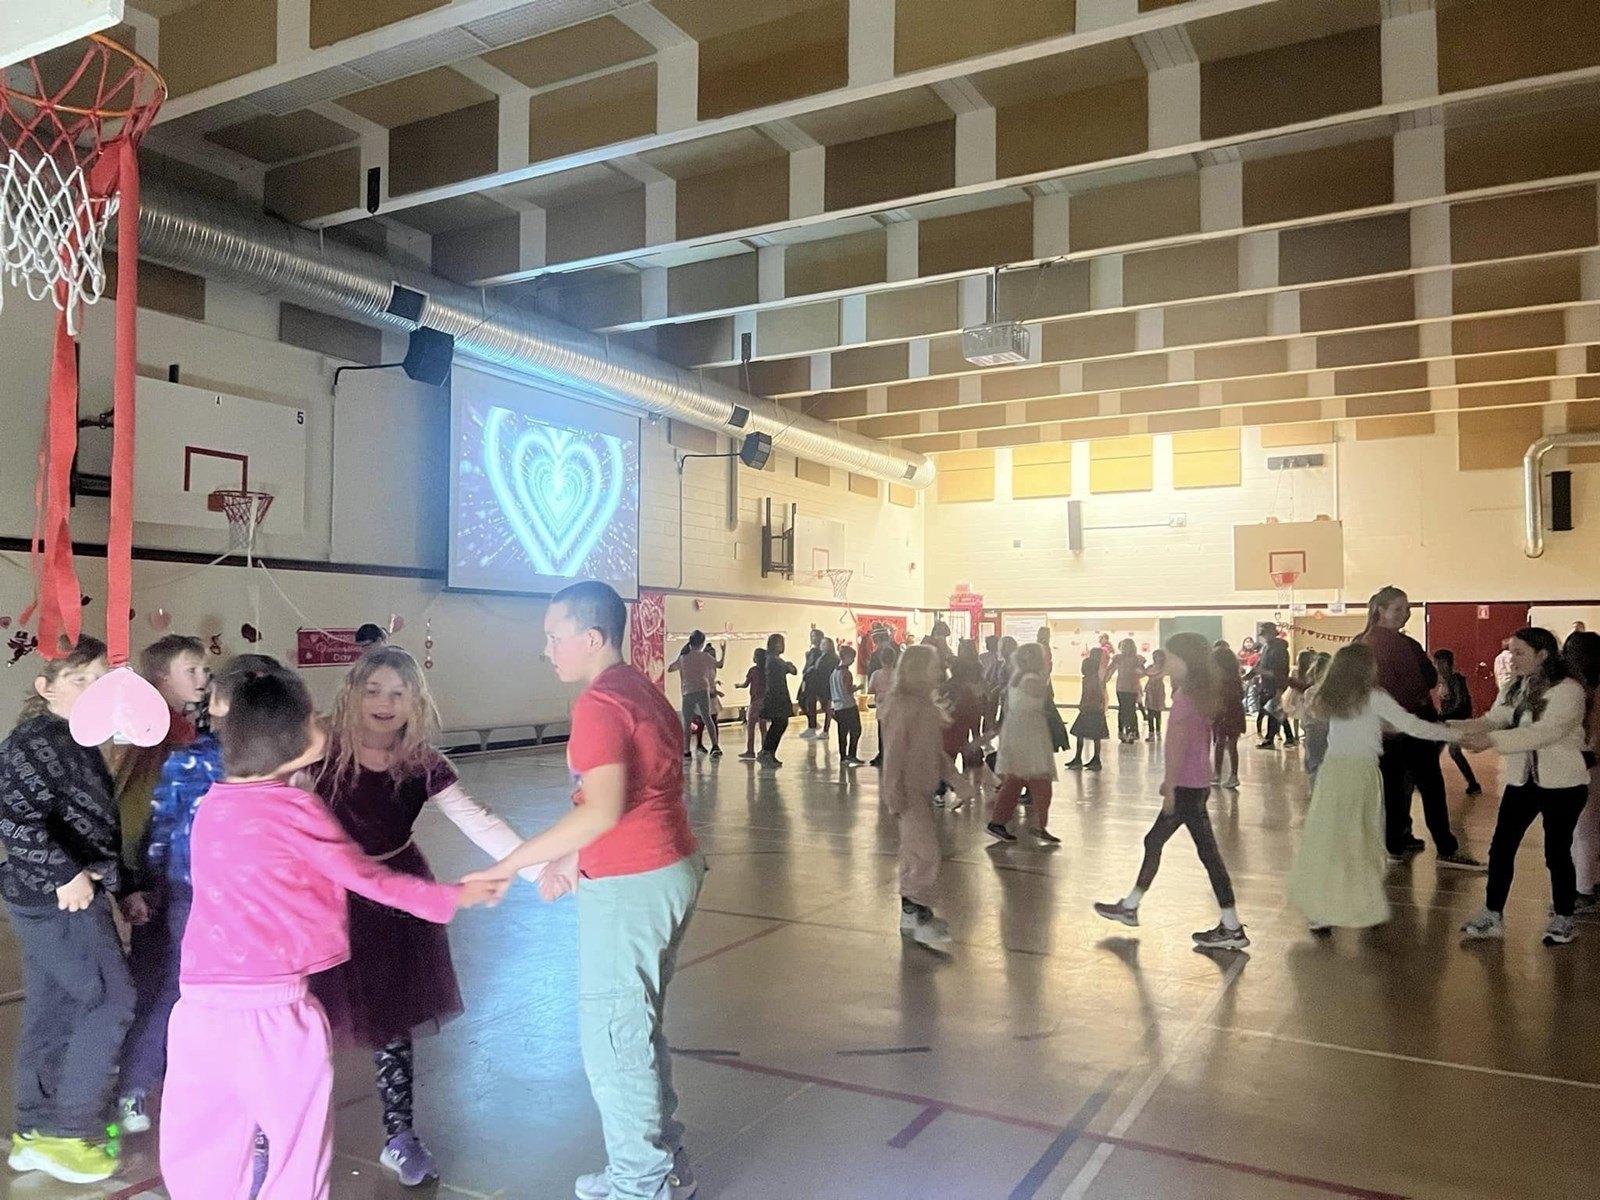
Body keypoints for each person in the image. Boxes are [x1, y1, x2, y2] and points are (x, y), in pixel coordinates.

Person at [158, 671, 497, 1200]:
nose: (323, 723)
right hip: (278, 1012)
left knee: (204, 1149)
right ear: (293, 739)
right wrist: (449, 898)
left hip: (199, 1014)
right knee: (297, 1154)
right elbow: (365, 876)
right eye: (313, 717)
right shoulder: (296, 810)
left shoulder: (213, 806)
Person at [462, 580, 706, 1200]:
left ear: (591, 638)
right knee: (636, 1025)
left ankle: (641, 1182)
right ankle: (659, 1162)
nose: (547, 650)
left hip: (634, 884)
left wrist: (506, 864)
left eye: (553, 637)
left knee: (613, 1037)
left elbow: (600, 811)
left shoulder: (600, 703)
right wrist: (571, 860)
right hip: (665, 867)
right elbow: (630, 794)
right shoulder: (639, 688)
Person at [310, 647, 539, 1187]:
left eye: (398, 693)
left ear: (415, 701)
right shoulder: (321, 751)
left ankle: (400, 1136)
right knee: (309, 1022)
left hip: (396, 899)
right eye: (373, 691)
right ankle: (272, 1131)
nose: (385, 703)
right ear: (352, 695)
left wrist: (536, 868)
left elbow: (479, 819)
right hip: (327, 897)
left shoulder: (422, 763)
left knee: (392, 1018)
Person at [118, 655, 286, 1151]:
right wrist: (147, 885)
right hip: (193, 893)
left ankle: (225, 1092)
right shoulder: (190, 759)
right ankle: (135, 1085)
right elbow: (162, 829)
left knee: (239, 996)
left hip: (250, 899)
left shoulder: (276, 767)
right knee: (179, 986)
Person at [0, 637, 132, 1185]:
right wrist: (65, 873)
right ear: (46, 688)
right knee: (111, 1000)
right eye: (79, 678)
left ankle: (35, 1127)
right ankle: (70, 1131)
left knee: (54, 1007)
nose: (92, 688)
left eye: (99, 678)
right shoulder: (35, 741)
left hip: (56, 890)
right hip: (56, 895)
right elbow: (11, 820)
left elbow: (94, 823)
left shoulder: (78, 738)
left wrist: (124, 886)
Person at [1286, 644, 1462, 936]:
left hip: (1334, 772)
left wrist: (1383, 727)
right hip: (1360, 774)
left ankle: (1319, 910)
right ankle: (1355, 904)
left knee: (1330, 837)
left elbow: (1362, 725)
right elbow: (1413, 726)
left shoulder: (1330, 695)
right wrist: (1456, 734)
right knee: (1361, 836)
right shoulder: (1374, 696)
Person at [1094, 633, 1249, 950]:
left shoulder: (1184, 698)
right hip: (1196, 784)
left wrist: (1170, 787)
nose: (1166, 663)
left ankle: (1230, 926)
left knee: (1206, 854)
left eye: (1171, 658)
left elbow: (1177, 747)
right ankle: (1132, 905)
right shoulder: (1199, 693)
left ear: (1185, 661)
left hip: (1186, 788)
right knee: (1172, 845)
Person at [1454, 628, 1590, 945]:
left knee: (1557, 852)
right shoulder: (1517, 687)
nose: (1511, 659)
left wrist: (1489, 740)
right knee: (1501, 847)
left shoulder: (1568, 691)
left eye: (1519, 653)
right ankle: (1492, 914)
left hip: (1563, 785)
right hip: (1523, 781)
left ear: (1542, 655)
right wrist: (1450, 727)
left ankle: (1564, 918)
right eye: (1511, 651)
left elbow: (1544, 733)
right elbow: (1495, 718)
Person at [1357, 586, 1482, 868]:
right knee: (1429, 786)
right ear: (1381, 610)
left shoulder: (1369, 642)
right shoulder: (1393, 643)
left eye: (1407, 608)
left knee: (1395, 786)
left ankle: (1397, 841)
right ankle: (1445, 848)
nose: (1405, 614)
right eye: (1398, 609)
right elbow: (1422, 681)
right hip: (1408, 724)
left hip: (1387, 728)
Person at [878, 645, 957, 950]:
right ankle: (914, 911)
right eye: (934, 665)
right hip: (907, 792)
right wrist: (893, 791)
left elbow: (934, 753)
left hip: (920, 791)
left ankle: (913, 912)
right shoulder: (904, 707)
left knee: (917, 851)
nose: (939, 669)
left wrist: (958, 781)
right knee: (925, 852)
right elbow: (895, 752)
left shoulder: (924, 706)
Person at [987, 642, 1059, 845]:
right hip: (1028, 734)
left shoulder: (1018, 678)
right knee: (1034, 779)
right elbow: (1038, 693)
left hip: (1023, 731)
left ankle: (1010, 822)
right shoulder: (1030, 679)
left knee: (1019, 780)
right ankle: (1033, 824)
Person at [1564, 631, 1600, 908]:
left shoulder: (1582, 689)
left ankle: (1583, 889)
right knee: (1587, 826)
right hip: (1589, 760)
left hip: (1585, 762)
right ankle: (1588, 882)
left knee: (1582, 827)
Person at [667, 632, 724, 759]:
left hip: (688, 692)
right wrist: (723, 651)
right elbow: (720, 664)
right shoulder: (705, 656)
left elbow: (670, 668)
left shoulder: (684, 658)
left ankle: (687, 750)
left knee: (686, 722)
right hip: (703, 689)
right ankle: (715, 746)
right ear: (702, 643)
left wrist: (681, 657)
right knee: (707, 718)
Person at [1432, 649, 1482, 796]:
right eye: (1436, 663)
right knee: (1437, 752)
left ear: (1449, 664)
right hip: (1447, 721)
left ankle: (1473, 784)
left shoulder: (1457, 681)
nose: (1438, 666)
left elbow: (1462, 704)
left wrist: (1445, 717)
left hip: (1455, 722)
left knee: (1454, 752)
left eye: (1441, 663)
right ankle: (1473, 784)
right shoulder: (1442, 681)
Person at [759, 633, 798, 768]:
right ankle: (767, 752)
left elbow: (793, 671)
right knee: (779, 723)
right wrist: (788, 665)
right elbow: (791, 669)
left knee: (779, 724)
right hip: (776, 695)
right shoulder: (774, 660)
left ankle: (768, 752)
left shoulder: (773, 659)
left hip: (778, 694)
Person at [1066, 648, 1108, 771]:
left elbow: (1093, 695)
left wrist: (1086, 705)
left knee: (1087, 734)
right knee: (1091, 735)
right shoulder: (1091, 679)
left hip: (1091, 710)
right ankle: (1084, 757)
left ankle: (1091, 758)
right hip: (1091, 710)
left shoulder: (1092, 680)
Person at [1211, 645, 1246, 790]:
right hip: (1235, 711)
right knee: (1231, 744)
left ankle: (1218, 774)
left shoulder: (1220, 679)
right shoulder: (1235, 678)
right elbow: (1240, 695)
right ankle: (1232, 775)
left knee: (1220, 742)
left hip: (1223, 712)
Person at [1253, 631, 1292, 748]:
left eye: (1266, 634)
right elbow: (1259, 665)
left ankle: (1270, 739)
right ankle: (1289, 736)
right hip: (1267, 684)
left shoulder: (1279, 650)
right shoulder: (1266, 648)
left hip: (1275, 685)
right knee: (1275, 710)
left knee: (1273, 711)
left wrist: (1264, 672)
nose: (1265, 637)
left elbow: (1281, 671)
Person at [1300, 652, 1333, 784]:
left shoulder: (1311, 692)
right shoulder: (1334, 692)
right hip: (1329, 730)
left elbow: (1308, 715)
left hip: (1314, 731)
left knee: (1313, 763)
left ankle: (1315, 791)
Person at [867, 642, 900, 768]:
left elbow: (870, 690)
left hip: (881, 705)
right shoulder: (898, 673)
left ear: (881, 660)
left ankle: (882, 755)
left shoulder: (876, 674)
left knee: (881, 733)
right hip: (895, 706)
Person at [831, 644, 864, 765]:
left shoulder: (834, 673)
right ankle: (852, 754)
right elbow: (847, 690)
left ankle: (843, 756)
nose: (853, 660)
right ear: (847, 657)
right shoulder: (846, 673)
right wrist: (858, 688)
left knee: (842, 732)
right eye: (853, 658)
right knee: (856, 730)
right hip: (848, 706)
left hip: (838, 706)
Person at [1111, 638, 1146, 744]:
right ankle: (1121, 731)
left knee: (1130, 709)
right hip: (1121, 687)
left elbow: (1143, 672)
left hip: (1132, 687)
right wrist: (1103, 682)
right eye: (1124, 646)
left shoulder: (1137, 659)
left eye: (1128, 646)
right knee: (1122, 709)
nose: (1125, 648)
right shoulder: (1118, 658)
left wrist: (1136, 674)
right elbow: (1110, 669)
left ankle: (1132, 731)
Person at [735, 647, 767, 761]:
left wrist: (738, 685)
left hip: (755, 701)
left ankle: (750, 750)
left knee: (751, 726)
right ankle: (765, 749)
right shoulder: (767, 670)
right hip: (765, 701)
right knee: (763, 727)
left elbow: (746, 684)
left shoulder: (753, 670)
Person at [798, 629, 824, 733]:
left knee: (812, 703)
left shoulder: (820, 652)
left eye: (815, 636)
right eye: (811, 636)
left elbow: (816, 666)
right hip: (807, 679)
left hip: (814, 680)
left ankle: (812, 726)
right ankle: (812, 722)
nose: (812, 638)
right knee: (802, 701)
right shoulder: (812, 651)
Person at [1142, 649, 1166, 741]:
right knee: (1150, 711)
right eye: (1154, 656)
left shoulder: (1163, 668)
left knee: (1157, 711)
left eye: (1157, 656)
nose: (1155, 658)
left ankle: (1158, 731)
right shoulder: (1151, 666)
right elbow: (1145, 672)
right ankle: (1151, 733)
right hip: (1150, 690)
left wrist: (1151, 674)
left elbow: (1155, 674)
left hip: (1158, 690)